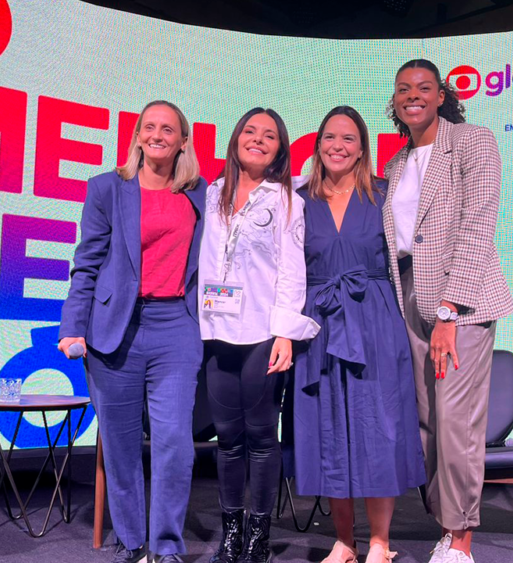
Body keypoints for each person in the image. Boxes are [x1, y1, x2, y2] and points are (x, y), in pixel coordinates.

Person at [58, 100, 206, 563]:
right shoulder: (107, 189)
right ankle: (133, 543)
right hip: (113, 331)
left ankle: (166, 548)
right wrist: (72, 326)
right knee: (120, 447)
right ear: (138, 134)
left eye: (169, 128)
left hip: (176, 328)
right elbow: (86, 265)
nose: (158, 134)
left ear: (184, 139)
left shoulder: (200, 192)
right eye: (149, 126)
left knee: (174, 444)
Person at [382, 59, 513, 563]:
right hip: (409, 294)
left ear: (441, 95)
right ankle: (446, 524)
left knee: (456, 419)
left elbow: (478, 226)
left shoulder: (472, 141)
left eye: (423, 88)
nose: (412, 96)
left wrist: (447, 312)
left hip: (461, 299)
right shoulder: (395, 166)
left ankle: (461, 542)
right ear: (394, 101)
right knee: (427, 422)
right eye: (402, 89)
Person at [293, 106, 426, 563]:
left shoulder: (385, 197)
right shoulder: (298, 200)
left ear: (363, 148)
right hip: (320, 326)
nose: (338, 146)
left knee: (378, 430)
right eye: (330, 137)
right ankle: (345, 541)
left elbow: (414, 259)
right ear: (318, 145)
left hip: (375, 324)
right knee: (330, 430)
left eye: (349, 139)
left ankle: (380, 543)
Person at [199, 107, 319, 563]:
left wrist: (286, 333)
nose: (257, 139)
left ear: (279, 150)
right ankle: (231, 534)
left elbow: (292, 271)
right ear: (234, 140)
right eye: (250, 131)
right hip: (216, 330)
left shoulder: (287, 199)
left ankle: (258, 538)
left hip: (263, 333)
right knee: (227, 438)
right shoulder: (211, 195)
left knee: (261, 437)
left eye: (269, 136)